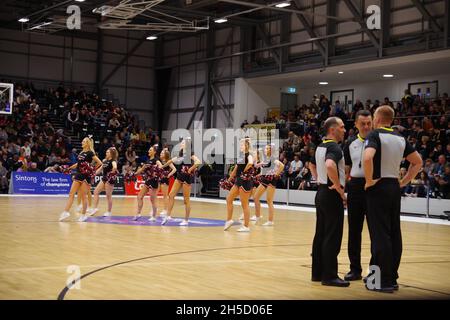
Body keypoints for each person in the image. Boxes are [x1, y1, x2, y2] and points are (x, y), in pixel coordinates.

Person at [363, 105, 422, 292]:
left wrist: (369, 180)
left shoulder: (374, 135)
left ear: (378, 119)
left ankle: (382, 281)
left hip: (378, 188)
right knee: (394, 233)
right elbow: (418, 162)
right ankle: (385, 278)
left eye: (373, 117)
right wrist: (403, 182)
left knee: (379, 235)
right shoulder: (400, 137)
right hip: (393, 187)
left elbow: (367, 158)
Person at [309, 117, 348, 287]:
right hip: (331, 195)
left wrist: (320, 179)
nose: (345, 130)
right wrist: (338, 187)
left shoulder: (320, 146)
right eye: (342, 127)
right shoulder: (334, 147)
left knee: (321, 234)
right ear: (332, 130)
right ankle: (330, 276)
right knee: (332, 235)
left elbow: (311, 165)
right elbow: (330, 164)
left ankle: (317, 274)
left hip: (321, 192)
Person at [342, 110, 373, 281]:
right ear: (356, 124)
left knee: (376, 231)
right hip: (355, 187)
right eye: (363, 123)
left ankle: (375, 272)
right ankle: (355, 269)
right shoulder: (349, 144)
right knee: (354, 231)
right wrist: (343, 190)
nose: (366, 126)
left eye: (369, 123)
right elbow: (346, 170)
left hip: (374, 187)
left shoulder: (378, 141)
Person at [59, 137, 102, 222]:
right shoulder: (81, 152)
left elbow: (100, 163)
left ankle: (83, 215)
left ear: (87, 143)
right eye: (82, 141)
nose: (82, 142)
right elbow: (78, 164)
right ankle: (66, 212)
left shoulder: (90, 153)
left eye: (84, 141)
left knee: (83, 196)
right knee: (71, 193)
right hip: (78, 174)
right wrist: (69, 168)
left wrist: (92, 169)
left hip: (86, 176)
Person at [161, 139, 201, 226]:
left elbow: (198, 162)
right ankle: (168, 216)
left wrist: (190, 169)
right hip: (179, 177)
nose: (181, 144)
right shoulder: (181, 155)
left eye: (183, 143)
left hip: (187, 178)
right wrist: (162, 167)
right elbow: (170, 161)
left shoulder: (191, 155)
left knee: (186, 200)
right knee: (171, 195)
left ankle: (186, 220)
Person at [224, 138, 254, 232]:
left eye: (242, 145)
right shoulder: (241, 156)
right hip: (238, 181)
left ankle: (246, 226)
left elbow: (250, 162)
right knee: (229, 198)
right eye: (240, 145)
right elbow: (236, 168)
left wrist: (245, 170)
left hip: (245, 182)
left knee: (244, 204)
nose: (240, 146)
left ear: (246, 146)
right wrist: (229, 179)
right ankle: (229, 220)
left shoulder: (249, 155)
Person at [252, 144, 284, 226]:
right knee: (256, 197)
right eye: (265, 148)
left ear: (271, 150)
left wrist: (276, 174)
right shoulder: (266, 159)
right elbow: (261, 167)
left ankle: (270, 221)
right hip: (264, 180)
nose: (265, 150)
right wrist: (260, 174)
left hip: (270, 181)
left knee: (269, 201)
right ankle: (258, 216)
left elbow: (282, 166)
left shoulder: (273, 158)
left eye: (267, 149)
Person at [133, 145, 163, 222]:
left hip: (154, 181)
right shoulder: (147, 160)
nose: (148, 151)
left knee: (152, 200)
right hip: (148, 181)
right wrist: (134, 174)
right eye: (149, 150)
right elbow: (142, 169)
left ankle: (154, 216)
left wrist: (155, 171)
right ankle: (138, 213)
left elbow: (161, 167)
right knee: (139, 196)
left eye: (150, 150)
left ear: (154, 152)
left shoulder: (156, 160)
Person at [90, 147, 119, 217]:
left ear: (111, 154)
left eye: (108, 152)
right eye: (106, 152)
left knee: (108, 196)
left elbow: (115, 167)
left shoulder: (113, 161)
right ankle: (95, 208)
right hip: (104, 179)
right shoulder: (105, 161)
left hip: (109, 180)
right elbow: (100, 169)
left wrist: (112, 172)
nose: (106, 153)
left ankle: (109, 212)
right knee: (96, 192)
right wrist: (93, 174)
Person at [159, 149, 176, 218]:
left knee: (165, 196)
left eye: (162, 153)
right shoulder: (161, 161)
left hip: (165, 179)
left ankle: (165, 210)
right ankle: (164, 210)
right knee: (164, 196)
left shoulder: (168, 161)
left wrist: (169, 175)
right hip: (161, 179)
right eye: (161, 153)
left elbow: (174, 169)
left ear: (165, 155)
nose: (161, 154)